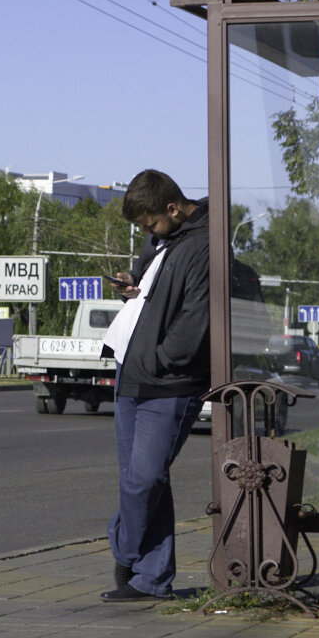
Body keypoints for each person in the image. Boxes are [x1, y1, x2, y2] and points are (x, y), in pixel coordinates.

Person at [100, 169, 210, 601]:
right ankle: (152, 579)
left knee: (143, 480)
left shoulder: (205, 244)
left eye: (149, 224)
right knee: (143, 480)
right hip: (132, 373)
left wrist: (159, 357)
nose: (146, 232)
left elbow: (194, 323)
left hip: (171, 382)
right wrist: (131, 282)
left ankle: (125, 549)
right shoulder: (161, 238)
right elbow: (148, 282)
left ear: (172, 207)